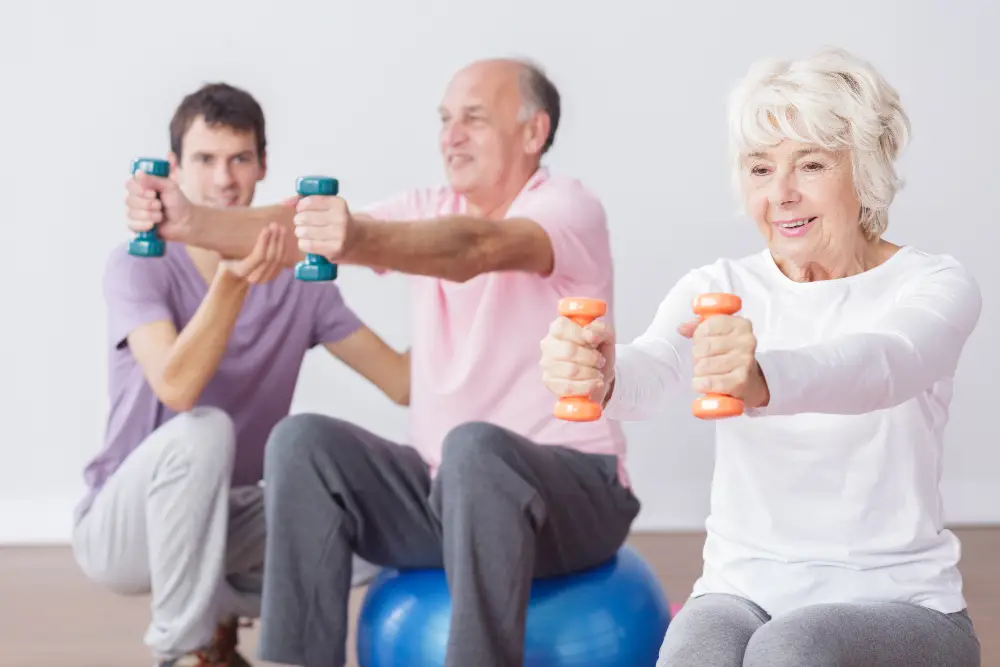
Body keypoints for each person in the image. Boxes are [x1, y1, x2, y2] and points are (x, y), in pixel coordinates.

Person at [122, 58, 640, 667]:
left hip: (572, 494)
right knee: (303, 443)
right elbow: (293, 233)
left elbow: (474, 248)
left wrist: (356, 239)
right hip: (444, 490)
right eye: (445, 120)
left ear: (533, 132)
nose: (450, 135)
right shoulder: (427, 205)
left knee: (476, 448)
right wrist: (189, 221)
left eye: (473, 119)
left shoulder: (568, 208)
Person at [540, 46, 983, 667]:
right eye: (759, 169)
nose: (782, 194)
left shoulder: (933, 284)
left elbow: (886, 363)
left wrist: (761, 378)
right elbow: (654, 370)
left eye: (810, 164)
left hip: (902, 603)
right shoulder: (717, 286)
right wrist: (602, 372)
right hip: (742, 590)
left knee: (789, 648)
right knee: (696, 648)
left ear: (867, 170)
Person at [77, 82, 409, 667]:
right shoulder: (138, 264)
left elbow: (403, 382)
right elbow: (177, 388)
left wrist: (464, 294)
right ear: (175, 169)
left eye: (240, 159)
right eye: (205, 160)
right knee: (203, 431)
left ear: (263, 166)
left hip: (228, 520)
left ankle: (231, 623)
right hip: (126, 528)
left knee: (370, 508)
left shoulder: (301, 284)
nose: (225, 180)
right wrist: (231, 286)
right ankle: (181, 652)